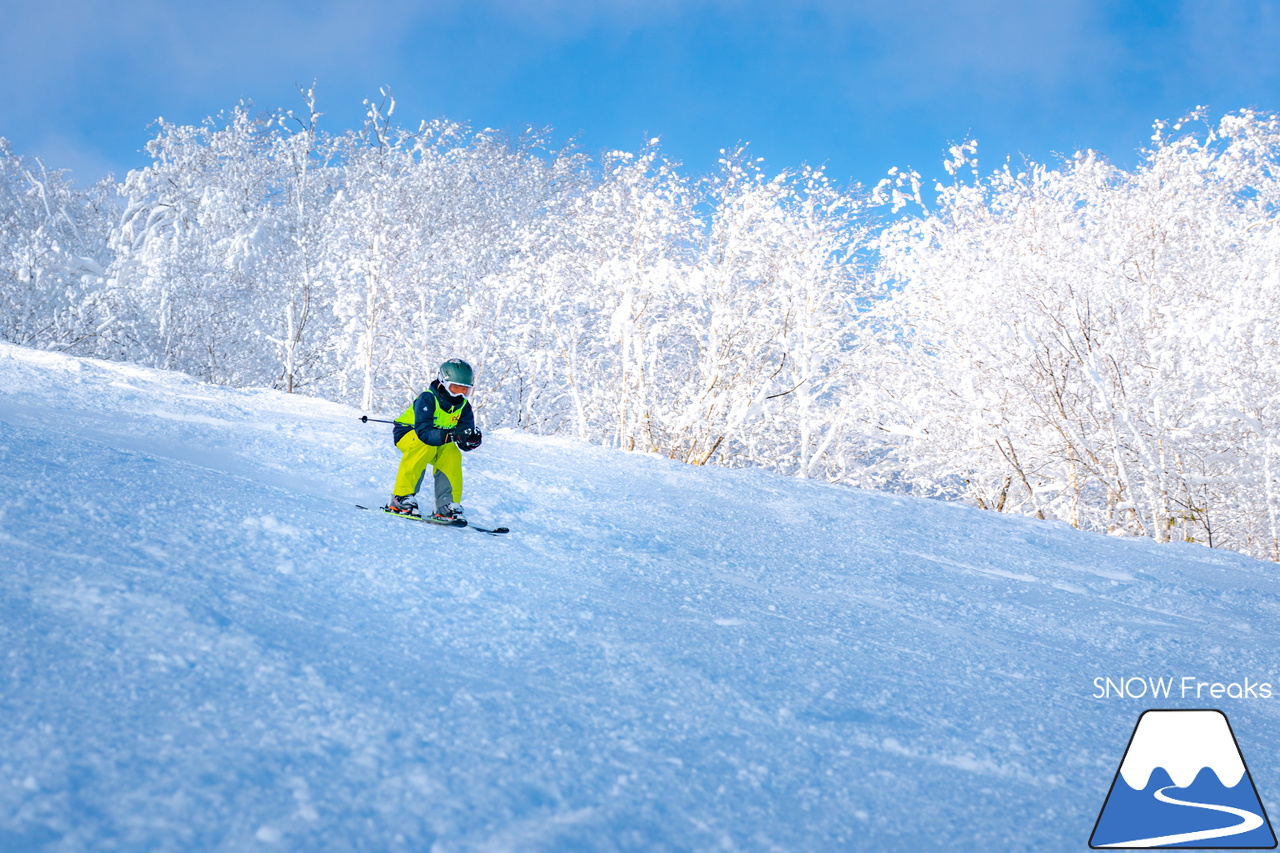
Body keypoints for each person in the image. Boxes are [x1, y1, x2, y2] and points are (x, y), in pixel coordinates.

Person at [387, 358, 483, 522]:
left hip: (438, 439)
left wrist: (471, 440)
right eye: (455, 388)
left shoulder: (463, 407)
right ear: (443, 382)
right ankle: (401, 498)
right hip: (409, 434)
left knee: (452, 453)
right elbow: (424, 433)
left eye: (465, 390)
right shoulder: (428, 398)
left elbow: (463, 440)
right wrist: (452, 435)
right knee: (425, 446)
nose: (459, 394)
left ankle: (446, 505)